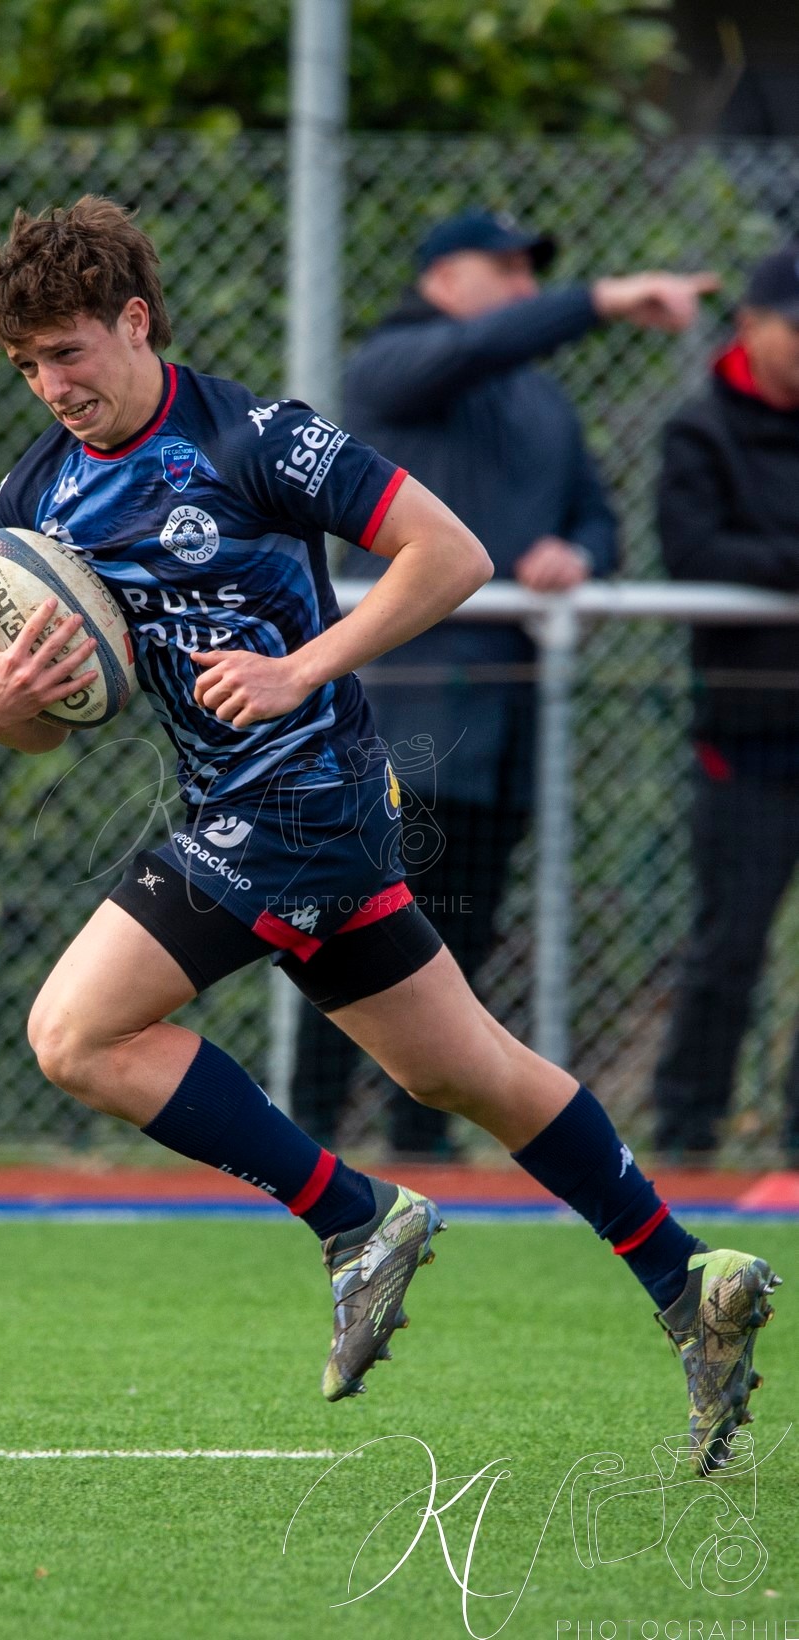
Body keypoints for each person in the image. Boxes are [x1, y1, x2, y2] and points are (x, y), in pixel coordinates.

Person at [0, 195, 777, 1470]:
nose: (51, 385)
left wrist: (299, 668)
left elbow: (449, 553)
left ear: (135, 321)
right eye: (26, 365)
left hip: (305, 799)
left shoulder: (254, 437)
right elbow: (35, 726)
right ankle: (692, 1282)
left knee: (75, 1031)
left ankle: (356, 1219)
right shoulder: (35, 497)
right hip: (249, 810)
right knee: (467, 1071)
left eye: (67, 351)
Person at [291, 209, 713, 1157]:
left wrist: (578, 555)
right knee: (347, 939)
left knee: (462, 947)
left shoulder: (543, 403)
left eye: (535, 274)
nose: (526, 287)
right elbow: (474, 349)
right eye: (506, 268)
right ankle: (306, 1141)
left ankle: (422, 1148)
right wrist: (600, 300)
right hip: (392, 722)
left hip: (503, 730)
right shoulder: (391, 364)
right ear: (443, 278)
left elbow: (597, 520)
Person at [652, 245, 799, 1161]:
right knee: (730, 944)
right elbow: (695, 552)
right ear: (752, 325)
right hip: (746, 741)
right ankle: (686, 1131)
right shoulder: (701, 429)